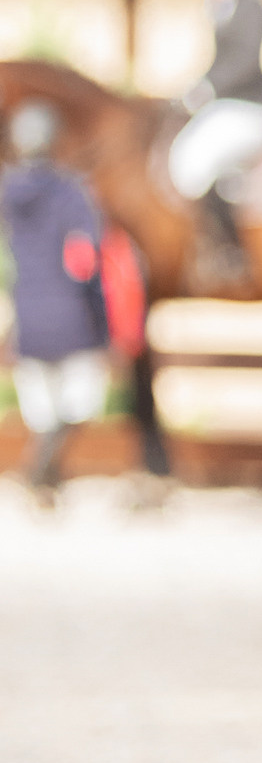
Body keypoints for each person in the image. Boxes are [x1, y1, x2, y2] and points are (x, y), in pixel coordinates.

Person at [3, 101, 111, 499]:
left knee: (44, 411)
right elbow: (87, 257)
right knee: (78, 405)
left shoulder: (7, 192)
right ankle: (41, 469)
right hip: (73, 314)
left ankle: (45, 477)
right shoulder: (73, 194)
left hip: (28, 315)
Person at [167, 0, 262, 284]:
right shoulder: (219, 3)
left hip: (254, 107)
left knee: (194, 161)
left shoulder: (251, 3)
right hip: (227, 104)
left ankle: (228, 250)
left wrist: (206, 89)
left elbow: (244, 61)